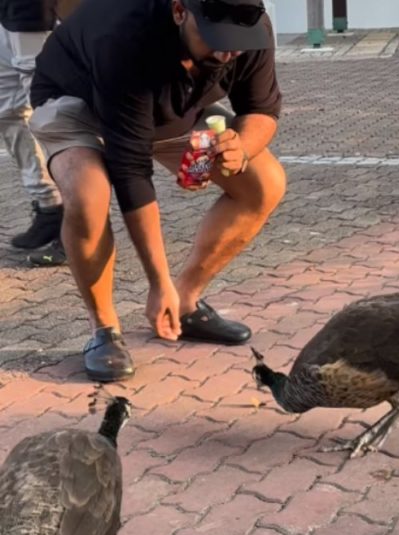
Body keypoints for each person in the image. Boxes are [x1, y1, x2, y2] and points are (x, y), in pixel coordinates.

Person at [28, 0, 286, 383]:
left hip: (166, 106)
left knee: (264, 184)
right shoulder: (124, 35)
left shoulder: (252, 30)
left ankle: (184, 302)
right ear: (180, 10)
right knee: (89, 196)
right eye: (215, 38)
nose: (226, 52)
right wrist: (156, 281)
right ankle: (104, 330)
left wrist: (241, 148)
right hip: (78, 101)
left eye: (237, 42)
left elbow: (261, 110)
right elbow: (131, 170)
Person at [0, 0, 64, 257]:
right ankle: (50, 206)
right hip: (7, 17)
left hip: (36, 15)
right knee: (7, 113)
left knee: (53, 116)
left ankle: (79, 228)